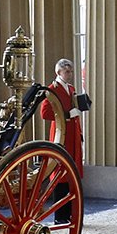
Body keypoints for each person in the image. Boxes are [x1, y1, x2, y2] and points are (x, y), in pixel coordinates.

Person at [38, 58, 83, 223]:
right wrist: (66, 115)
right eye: (67, 71)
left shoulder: (71, 88)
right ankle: (60, 216)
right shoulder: (52, 89)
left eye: (70, 71)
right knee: (60, 174)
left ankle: (72, 214)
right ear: (59, 72)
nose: (70, 74)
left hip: (73, 135)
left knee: (72, 174)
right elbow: (45, 113)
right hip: (61, 134)